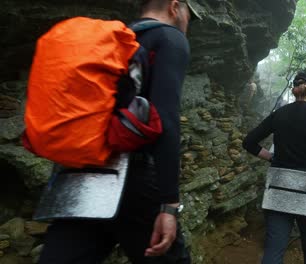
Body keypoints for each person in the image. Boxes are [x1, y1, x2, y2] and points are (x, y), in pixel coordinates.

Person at [38, 0, 201, 263]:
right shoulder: (169, 38)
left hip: (79, 177)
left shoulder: (110, 42)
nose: (188, 25)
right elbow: (166, 120)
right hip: (132, 179)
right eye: (189, 18)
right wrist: (169, 204)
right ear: (174, 7)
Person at [242, 70, 306, 264]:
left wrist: (271, 157)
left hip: (278, 182)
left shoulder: (279, 114)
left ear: (295, 90)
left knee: (274, 248)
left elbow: (249, 142)